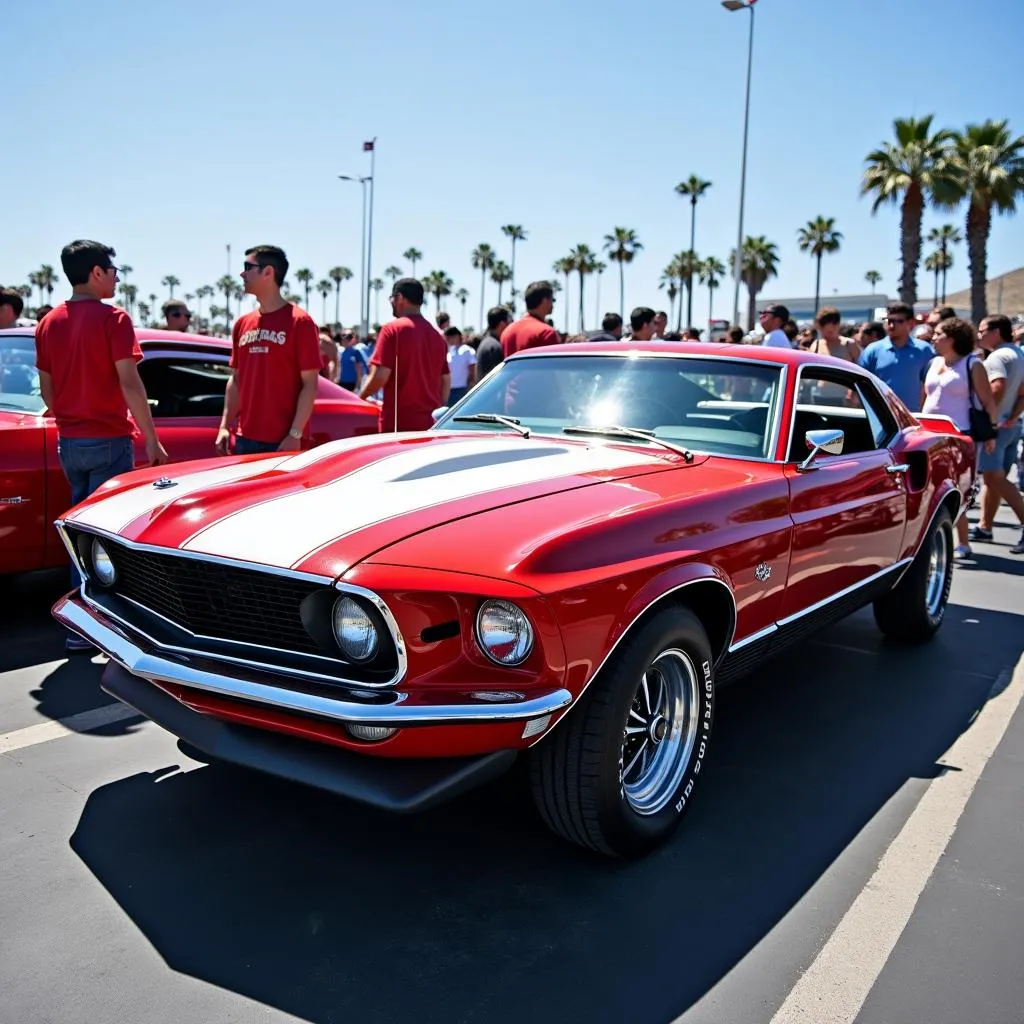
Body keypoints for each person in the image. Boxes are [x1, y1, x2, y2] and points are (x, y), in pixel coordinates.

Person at [34, 240, 168, 650]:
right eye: (113, 271)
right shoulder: (114, 318)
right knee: (106, 538)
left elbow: (48, 392)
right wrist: (152, 438)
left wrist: (73, 414)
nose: (115, 278)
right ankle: (101, 626)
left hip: (69, 440)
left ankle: (78, 625)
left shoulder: (48, 322)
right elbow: (130, 382)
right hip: (109, 437)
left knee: (78, 534)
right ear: (96, 272)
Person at [215, 245, 321, 456]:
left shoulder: (301, 322)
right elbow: (235, 380)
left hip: (284, 441)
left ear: (268, 272)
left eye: (248, 267)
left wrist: (295, 434)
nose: (242, 274)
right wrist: (224, 426)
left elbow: (310, 384)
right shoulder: (242, 324)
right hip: (245, 439)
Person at [920, 317, 998, 559]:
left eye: (939, 333)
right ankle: (930, 541)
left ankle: (962, 543)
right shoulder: (933, 362)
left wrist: (991, 433)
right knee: (929, 490)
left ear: (953, 338)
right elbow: (926, 397)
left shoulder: (972, 364)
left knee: (956, 489)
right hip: (929, 433)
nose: (933, 337)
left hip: (959, 435)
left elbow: (988, 402)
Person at [358, 278, 450, 432]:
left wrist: (360, 398)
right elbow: (446, 379)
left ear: (400, 298)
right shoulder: (437, 337)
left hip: (398, 424)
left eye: (392, 298)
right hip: (431, 424)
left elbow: (380, 376)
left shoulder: (392, 330)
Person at [969, 314, 1024, 554]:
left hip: (997, 430)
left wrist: (990, 419)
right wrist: (1012, 416)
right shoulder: (1018, 353)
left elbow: (997, 386)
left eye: (982, 330)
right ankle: (985, 526)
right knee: (993, 480)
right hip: (1010, 427)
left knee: (994, 479)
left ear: (996, 333)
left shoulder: (998, 357)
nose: (979, 335)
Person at [858, 302, 934, 411]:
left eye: (899, 321)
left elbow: (931, 385)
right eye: (889, 320)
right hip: (881, 417)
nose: (892, 325)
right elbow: (861, 386)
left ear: (911, 323)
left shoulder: (924, 351)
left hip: (914, 419)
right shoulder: (872, 351)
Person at [501, 281, 560, 356]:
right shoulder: (547, 333)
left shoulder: (507, 331)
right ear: (545, 301)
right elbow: (553, 366)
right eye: (553, 300)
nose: (553, 303)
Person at [476, 306, 510, 379]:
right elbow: (500, 378)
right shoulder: (494, 346)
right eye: (509, 322)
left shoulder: (487, 342)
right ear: (502, 324)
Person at [445, 326, 477, 404]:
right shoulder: (450, 351)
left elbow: (472, 370)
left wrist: (470, 386)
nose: (448, 340)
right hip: (449, 390)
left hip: (462, 389)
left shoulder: (467, 350)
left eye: (450, 337)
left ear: (457, 336)